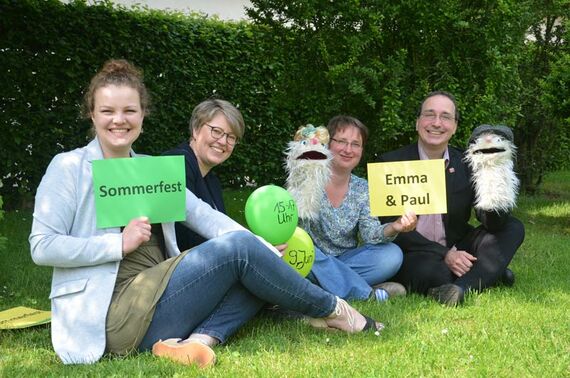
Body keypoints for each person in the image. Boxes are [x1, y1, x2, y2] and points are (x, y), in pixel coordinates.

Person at [29, 59, 382, 367]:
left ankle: (199, 342)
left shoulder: (151, 169)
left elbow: (205, 216)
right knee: (240, 252)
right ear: (92, 113)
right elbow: (42, 246)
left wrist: (260, 245)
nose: (119, 120)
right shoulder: (70, 166)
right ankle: (336, 311)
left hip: (157, 304)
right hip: (107, 316)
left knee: (252, 266)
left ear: (142, 115)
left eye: (129, 111)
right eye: (107, 111)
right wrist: (117, 245)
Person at [379, 91, 525, 306]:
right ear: (417, 122)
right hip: (415, 251)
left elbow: (491, 224)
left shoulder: (468, 162)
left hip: (458, 244)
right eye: (430, 115)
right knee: (436, 274)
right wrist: (445, 254)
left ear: (455, 126)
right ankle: (489, 274)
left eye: (445, 116)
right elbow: (387, 226)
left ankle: (462, 287)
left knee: (513, 227)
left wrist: (494, 176)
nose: (437, 123)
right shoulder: (390, 163)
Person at [301, 115, 417, 303]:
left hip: (348, 260)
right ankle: (366, 293)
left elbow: (370, 235)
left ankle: (323, 287)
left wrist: (395, 226)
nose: (348, 149)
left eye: (356, 144)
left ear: (362, 150)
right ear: (328, 144)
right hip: (311, 258)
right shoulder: (306, 178)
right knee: (303, 259)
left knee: (392, 255)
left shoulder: (364, 188)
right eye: (342, 142)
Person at [162, 99, 243, 251]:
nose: (223, 141)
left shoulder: (212, 180)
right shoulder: (176, 165)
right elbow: (189, 238)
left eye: (231, 137)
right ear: (195, 129)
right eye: (217, 131)